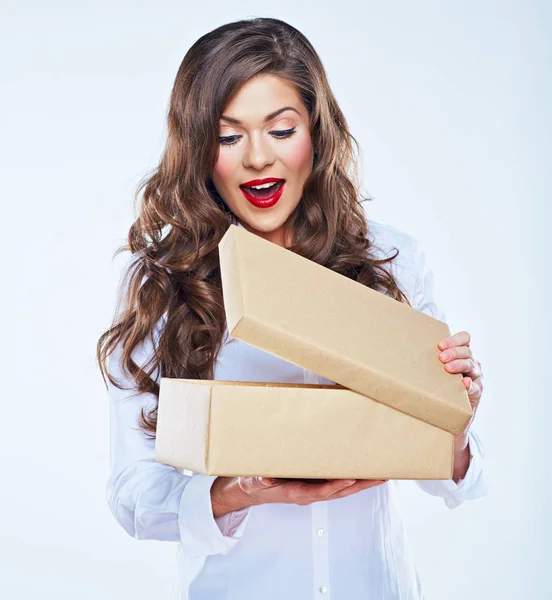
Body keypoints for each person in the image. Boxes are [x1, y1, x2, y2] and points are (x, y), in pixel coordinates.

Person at [97, 16, 487, 600]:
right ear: (198, 149)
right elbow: (132, 492)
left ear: (317, 132)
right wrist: (239, 491)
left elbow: (452, 477)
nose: (257, 158)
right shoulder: (162, 280)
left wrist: (455, 412)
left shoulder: (391, 260)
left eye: (281, 129)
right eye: (228, 137)